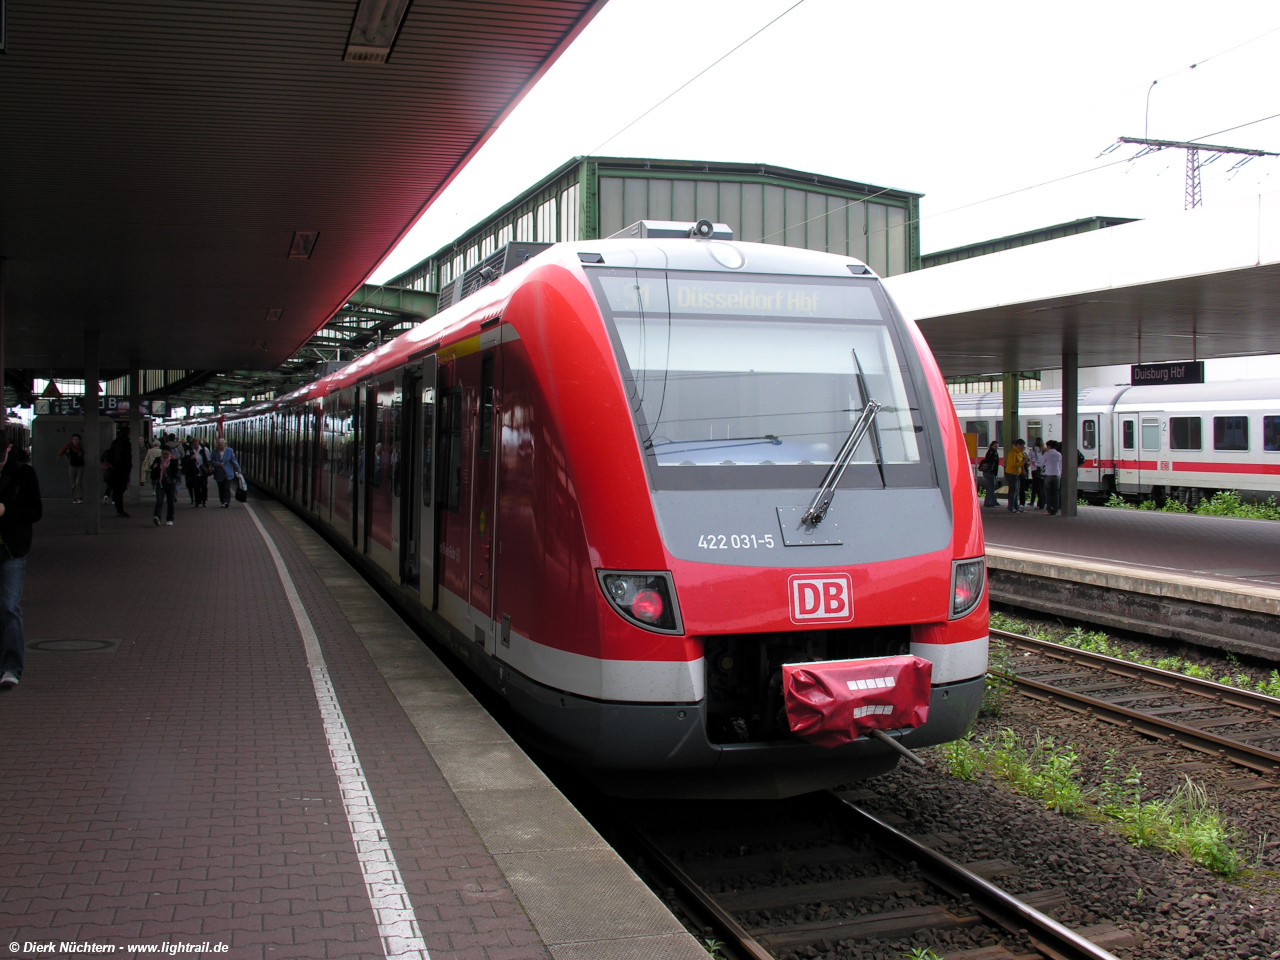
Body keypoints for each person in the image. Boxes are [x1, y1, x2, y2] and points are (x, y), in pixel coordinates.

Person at [0, 437, 44, 689]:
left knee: (8, 606)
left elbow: (35, 512)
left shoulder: (23, 474)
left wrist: (6, 510)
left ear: (8, 450)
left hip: (11, 549)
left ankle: (11, 667)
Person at [106, 426, 133, 518]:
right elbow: (127, 458)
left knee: (117, 490)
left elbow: (110, 456)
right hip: (123, 470)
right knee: (120, 490)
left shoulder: (115, 442)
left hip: (114, 469)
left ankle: (118, 508)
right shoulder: (126, 443)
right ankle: (120, 510)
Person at [151, 446, 181, 526]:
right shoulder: (158, 460)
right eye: (163, 453)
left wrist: (174, 461)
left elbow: (175, 471)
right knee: (159, 501)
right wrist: (154, 467)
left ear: (170, 454)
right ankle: (157, 517)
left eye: (166, 454)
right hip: (160, 483)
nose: (164, 455)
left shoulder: (173, 461)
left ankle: (170, 519)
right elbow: (153, 468)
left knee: (170, 502)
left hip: (170, 484)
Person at [211, 436, 242, 508]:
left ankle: (226, 502)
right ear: (217, 446)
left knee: (227, 488)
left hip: (228, 473)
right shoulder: (214, 452)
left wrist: (238, 469)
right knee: (221, 488)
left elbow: (233, 461)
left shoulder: (230, 451)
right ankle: (222, 501)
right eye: (219, 446)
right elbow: (211, 461)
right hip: (219, 473)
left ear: (225, 445)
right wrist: (217, 464)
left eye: (222, 445)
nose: (221, 447)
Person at [56, 433, 86, 503]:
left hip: (80, 466)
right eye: (74, 439)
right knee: (73, 482)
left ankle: (79, 497)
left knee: (78, 482)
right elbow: (62, 450)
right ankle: (74, 497)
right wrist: (59, 456)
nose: (75, 441)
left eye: (77, 439)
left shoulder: (81, 447)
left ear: (79, 440)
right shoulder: (69, 446)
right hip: (72, 465)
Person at [1004, 438, 1027, 513]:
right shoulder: (1013, 453)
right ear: (1017, 445)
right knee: (1013, 491)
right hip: (1011, 473)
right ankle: (1011, 507)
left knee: (1016, 490)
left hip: (1016, 473)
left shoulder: (1019, 452)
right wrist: (1022, 462)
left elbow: (1027, 459)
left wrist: (1024, 456)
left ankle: (1016, 506)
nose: (1023, 447)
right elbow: (1013, 464)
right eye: (1021, 446)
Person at [1043, 440, 1064, 515]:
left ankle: (1049, 509)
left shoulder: (1046, 454)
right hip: (1057, 475)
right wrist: (1060, 474)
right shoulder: (1059, 454)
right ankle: (1055, 509)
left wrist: (1034, 463)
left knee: (1048, 493)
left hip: (1048, 474)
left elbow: (1042, 463)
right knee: (1056, 493)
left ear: (1048, 446)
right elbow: (1061, 466)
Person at [978, 442, 1000, 508]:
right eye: (995, 445)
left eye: (997, 446)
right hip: (990, 472)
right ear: (992, 445)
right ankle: (990, 502)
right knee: (991, 487)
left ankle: (991, 501)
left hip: (990, 472)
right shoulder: (992, 452)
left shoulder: (992, 452)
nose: (997, 447)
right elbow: (990, 461)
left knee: (991, 487)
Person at [1026, 438, 1046, 509]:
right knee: (1042, 487)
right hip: (1043, 471)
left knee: (1038, 488)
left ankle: (1040, 504)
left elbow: (1029, 461)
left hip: (1035, 470)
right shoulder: (1044, 450)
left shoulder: (1033, 450)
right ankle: (1043, 502)